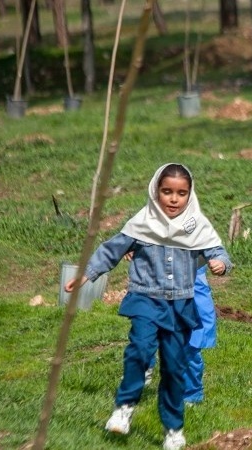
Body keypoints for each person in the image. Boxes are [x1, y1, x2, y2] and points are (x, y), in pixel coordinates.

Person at [65, 163, 232, 450]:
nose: (173, 199)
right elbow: (111, 250)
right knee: (140, 350)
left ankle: (173, 429)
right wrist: (87, 273)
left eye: (181, 193)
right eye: (167, 192)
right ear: (156, 192)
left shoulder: (197, 226)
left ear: (190, 196)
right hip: (145, 298)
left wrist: (221, 264)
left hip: (180, 305)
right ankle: (124, 407)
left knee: (174, 367)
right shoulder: (141, 223)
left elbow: (217, 251)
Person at [144, 263, 216, 407]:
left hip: (191, 283)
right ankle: (143, 368)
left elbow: (214, 248)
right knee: (147, 330)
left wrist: (221, 262)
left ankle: (191, 396)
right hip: (158, 281)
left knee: (190, 345)